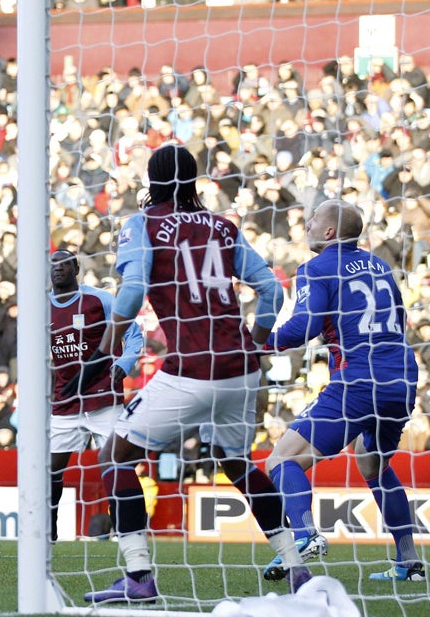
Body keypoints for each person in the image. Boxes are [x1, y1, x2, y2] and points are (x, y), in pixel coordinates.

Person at [85, 144, 309, 604]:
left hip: (190, 368)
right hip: (241, 370)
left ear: (152, 179)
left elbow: (130, 296)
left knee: (114, 457)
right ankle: (297, 568)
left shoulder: (141, 225)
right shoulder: (223, 226)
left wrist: (106, 349)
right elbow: (270, 289)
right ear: (193, 179)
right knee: (238, 463)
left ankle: (139, 576)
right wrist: (258, 341)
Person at [262, 200, 424, 582]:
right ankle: (409, 561)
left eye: (313, 218)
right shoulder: (380, 265)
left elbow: (303, 327)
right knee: (374, 463)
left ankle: (304, 536)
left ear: (330, 231)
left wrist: (256, 342)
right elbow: (398, 319)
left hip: (359, 378)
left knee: (281, 461)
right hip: (401, 376)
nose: (306, 223)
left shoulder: (316, 268)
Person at [48, 247, 143, 543]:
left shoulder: (99, 299)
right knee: (50, 468)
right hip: (65, 400)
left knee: (116, 463)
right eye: (53, 265)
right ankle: (48, 533)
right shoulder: (40, 306)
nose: (58, 269)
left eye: (64, 264)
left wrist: (124, 364)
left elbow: (134, 333)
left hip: (103, 397)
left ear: (76, 268)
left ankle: (123, 531)